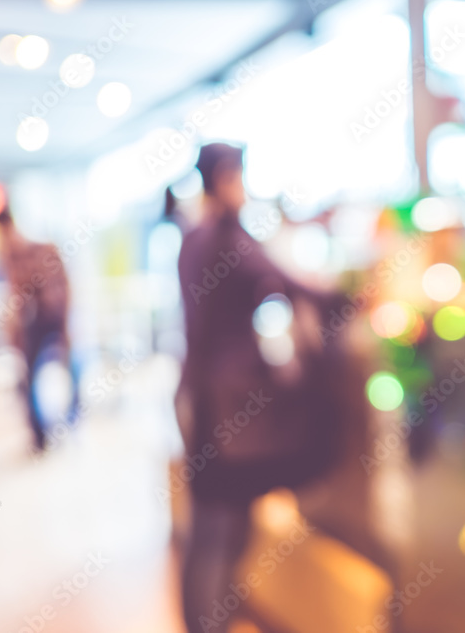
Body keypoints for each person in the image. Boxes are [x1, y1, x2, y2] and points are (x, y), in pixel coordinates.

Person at [176, 143, 398, 633]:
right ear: (227, 177)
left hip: (202, 395)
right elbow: (289, 284)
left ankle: (203, 620)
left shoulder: (193, 238)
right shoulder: (227, 237)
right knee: (222, 526)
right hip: (233, 406)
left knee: (210, 522)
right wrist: (350, 295)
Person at [0, 205, 75, 451]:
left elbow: (23, 296)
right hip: (39, 325)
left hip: (45, 322)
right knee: (31, 379)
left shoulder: (31, 251)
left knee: (54, 374)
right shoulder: (16, 253)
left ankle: (56, 429)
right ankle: (43, 436)